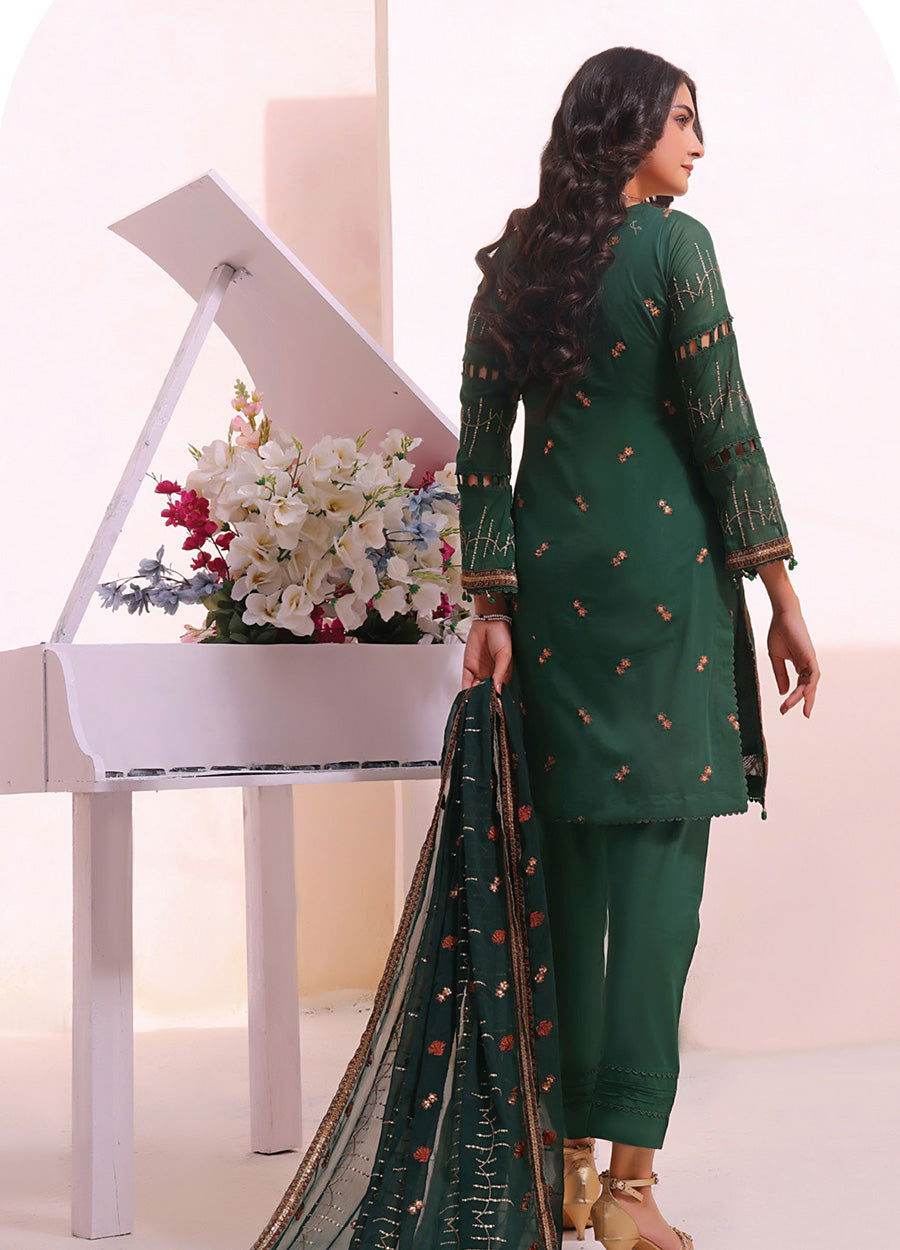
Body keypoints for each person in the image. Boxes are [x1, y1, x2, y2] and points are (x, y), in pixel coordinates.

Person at [457, 46, 819, 1250]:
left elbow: (481, 447)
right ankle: (629, 1186)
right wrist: (781, 592)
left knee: (559, 878)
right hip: (665, 590)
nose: (698, 145)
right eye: (682, 120)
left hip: (553, 590)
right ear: (627, 128)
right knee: (656, 890)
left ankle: (560, 1166)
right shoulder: (675, 248)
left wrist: (491, 604)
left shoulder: (515, 260)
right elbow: (726, 431)